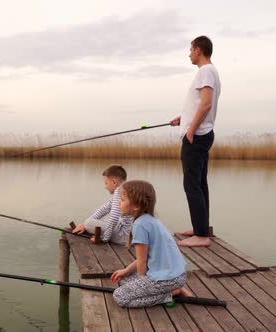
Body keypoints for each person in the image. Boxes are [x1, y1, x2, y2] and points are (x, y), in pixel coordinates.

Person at [170, 35, 221, 247]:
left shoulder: (205, 71)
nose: (189, 54)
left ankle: (201, 236)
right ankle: (201, 228)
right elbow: (200, 105)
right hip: (201, 133)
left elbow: (207, 104)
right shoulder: (210, 72)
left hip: (197, 136)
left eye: (191, 50)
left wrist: (190, 129)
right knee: (199, 183)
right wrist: (184, 118)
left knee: (192, 184)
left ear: (198, 50)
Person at [110, 180, 192, 308]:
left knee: (119, 296)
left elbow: (142, 262)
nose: (119, 203)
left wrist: (142, 283)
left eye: (122, 199)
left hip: (168, 279)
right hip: (177, 275)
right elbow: (144, 258)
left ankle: (170, 294)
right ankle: (174, 288)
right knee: (124, 280)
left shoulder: (140, 225)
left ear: (136, 206)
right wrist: (126, 271)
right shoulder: (150, 220)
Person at [72, 165, 133, 245]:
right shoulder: (127, 191)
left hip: (124, 237)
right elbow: (104, 209)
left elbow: (114, 218)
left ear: (114, 182)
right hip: (129, 235)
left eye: (106, 183)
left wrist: (104, 238)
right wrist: (84, 226)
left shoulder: (119, 191)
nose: (105, 187)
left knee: (89, 223)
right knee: (93, 222)